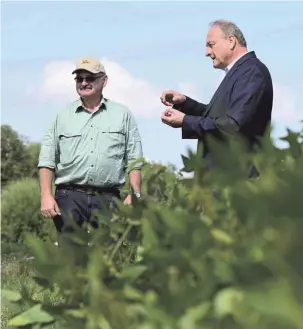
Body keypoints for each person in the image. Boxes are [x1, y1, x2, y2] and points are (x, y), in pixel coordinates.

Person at [38, 57, 143, 238]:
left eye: (90, 78)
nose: (84, 83)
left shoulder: (122, 114)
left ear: (104, 81)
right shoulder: (61, 116)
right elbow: (47, 160)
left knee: (108, 259)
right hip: (69, 197)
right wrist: (46, 195)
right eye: (79, 79)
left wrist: (135, 193)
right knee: (70, 260)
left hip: (108, 199)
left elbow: (134, 159)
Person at [160, 19, 274, 178]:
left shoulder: (251, 72)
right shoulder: (242, 72)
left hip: (236, 183)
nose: (207, 52)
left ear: (231, 41)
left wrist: (185, 120)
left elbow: (233, 127)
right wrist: (185, 103)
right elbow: (220, 117)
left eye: (211, 44)